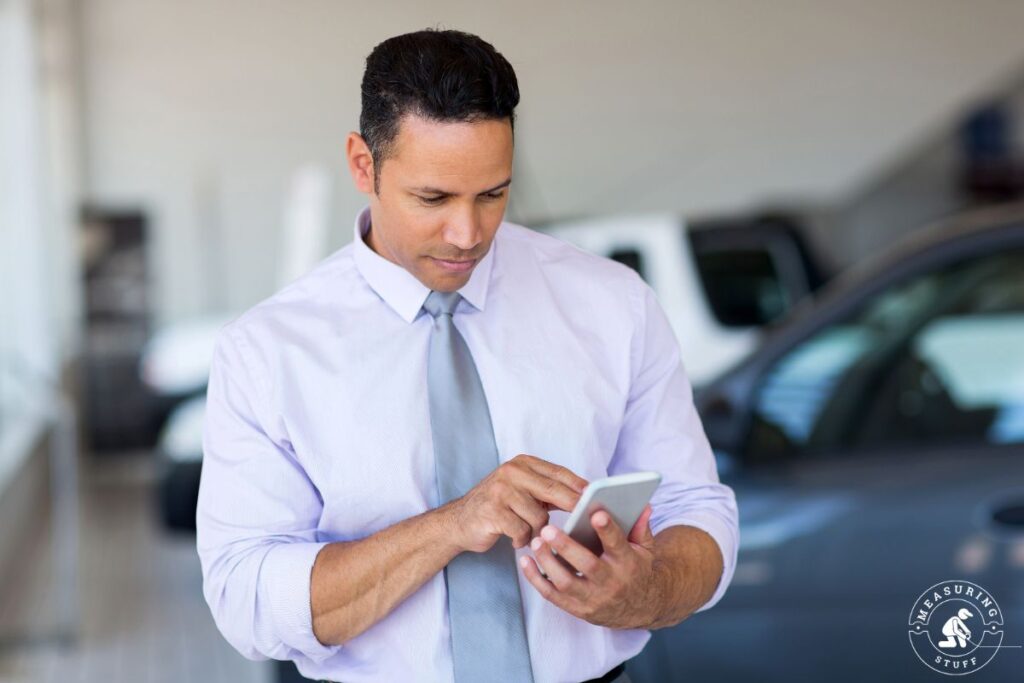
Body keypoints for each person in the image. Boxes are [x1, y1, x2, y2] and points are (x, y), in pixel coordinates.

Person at [197, 28, 738, 683]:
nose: (468, 234)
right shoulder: (268, 351)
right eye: (434, 198)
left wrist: (645, 589)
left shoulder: (613, 304)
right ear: (363, 165)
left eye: (492, 194)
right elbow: (247, 599)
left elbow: (697, 512)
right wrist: (452, 525)